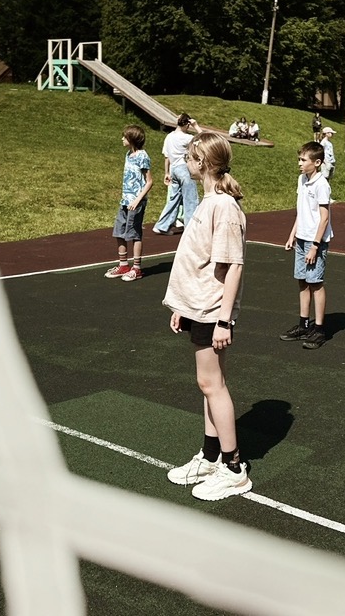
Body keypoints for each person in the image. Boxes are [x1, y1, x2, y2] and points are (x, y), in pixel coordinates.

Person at [162, 131, 252, 501]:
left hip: (213, 311)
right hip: (197, 306)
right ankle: (211, 456)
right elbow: (198, 261)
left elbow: (232, 267)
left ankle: (233, 468)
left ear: (202, 163)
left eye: (189, 157)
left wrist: (223, 320)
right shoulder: (209, 201)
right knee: (208, 384)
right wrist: (182, 307)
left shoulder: (224, 208)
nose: (185, 162)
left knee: (213, 385)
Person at [280, 141, 334, 349]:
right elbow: (301, 211)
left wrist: (314, 245)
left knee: (315, 282)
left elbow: (324, 219)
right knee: (302, 281)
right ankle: (303, 324)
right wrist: (292, 234)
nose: (299, 163)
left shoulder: (322, 185)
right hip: (302, 238)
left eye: (303, 160)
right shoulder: (301, 179)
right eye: (299, 159)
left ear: (317, 162)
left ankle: (319, 329)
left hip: (315, 241)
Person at [106, 124, 153, 283]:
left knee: (134, 233)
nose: (122, 139)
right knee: (119, 232)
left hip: (136, 202)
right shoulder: (128, 154)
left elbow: (149, 182)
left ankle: (137, 268)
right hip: (125, 201)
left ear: (132, 139)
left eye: (125, 137)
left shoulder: (143, 156)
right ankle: (123, 265)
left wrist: (137, 200)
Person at [153, 113, 200, 236]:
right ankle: (191, 227)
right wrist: (196, 125)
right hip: (184, 169)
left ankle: (162, 225)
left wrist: (166, 172)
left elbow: (166, 156)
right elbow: (205, 139)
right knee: (190, 199)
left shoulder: (169, 136)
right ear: (186, 124)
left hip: (173, 169)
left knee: (173, 200)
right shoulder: (186, 138)